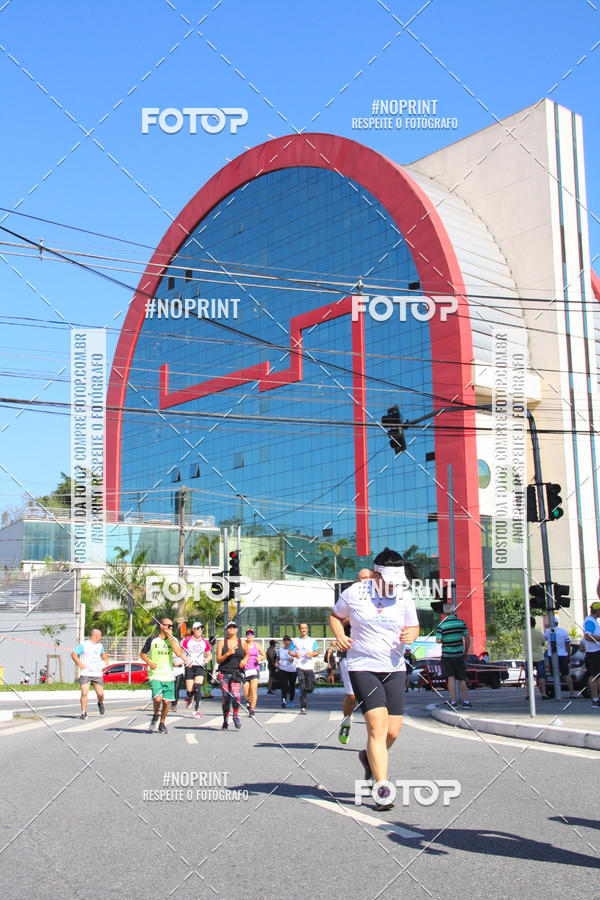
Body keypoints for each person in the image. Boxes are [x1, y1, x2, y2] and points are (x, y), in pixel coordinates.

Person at [330, 548, 420, 811]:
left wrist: (411, 635)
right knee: (377, 729)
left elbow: (413, 626)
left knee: (394, 731)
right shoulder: (355, 593)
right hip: (362, 666)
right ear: (376, 574)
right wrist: (339, 635)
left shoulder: (404, 595)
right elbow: (336, 616)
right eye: (389, 581)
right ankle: (381, 789)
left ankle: (368, 758)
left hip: (394, 667)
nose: (393, 587)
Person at [338, 567, 372, 743]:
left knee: (372, 697)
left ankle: (374, 737)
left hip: (372, 654)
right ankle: (346, 721)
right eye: (363, 578)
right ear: (357, 582)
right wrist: (353, 616)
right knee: (352, 695)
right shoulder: (349, 596)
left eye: (369, 577)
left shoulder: (379, 598)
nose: (366, 580)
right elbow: (337, 618)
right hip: (349, 653)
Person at [140, 617, 186, 733]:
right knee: (158, 698)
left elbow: (179, 653)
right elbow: (142, 653)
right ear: (161, 626)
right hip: (155, 674)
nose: (169, 628)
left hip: (168, 675)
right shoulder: (153, 639)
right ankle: (156, 714)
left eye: (171, 626)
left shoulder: (173, 639)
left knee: (166, 702)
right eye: (167, 625)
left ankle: (162, 723)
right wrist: (149, 662)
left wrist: (170, 638)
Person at [435, 607, 471, 708]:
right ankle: (466, 701)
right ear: (454, 611)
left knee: (450, 677)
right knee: (462, 678)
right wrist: (466, 652)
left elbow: (438, 640)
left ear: (444, 613)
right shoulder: (461, 623)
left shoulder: (441, 625)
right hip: (459, 655)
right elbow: (467, 639)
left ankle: (453, 701)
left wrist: (446, 639)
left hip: (447, 655)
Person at [71, 628, 108, 719]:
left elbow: (103, 654)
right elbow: (73, 654)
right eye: (100, 636)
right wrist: (80, 663)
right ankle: (83, 712)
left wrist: (106, 660)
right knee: (84, 692)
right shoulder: (84, 645)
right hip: (86, 672)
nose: (100, 638)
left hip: (97, 673)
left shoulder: (100, 646)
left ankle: (100, 703)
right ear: (96, 636)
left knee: (100, 694)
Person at [216, 622, 247, 729]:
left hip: (236, 673)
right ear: (226, 630)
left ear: (237, 629)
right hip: (224, 673)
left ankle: (235, 716)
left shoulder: (242, 642)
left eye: (234, 627)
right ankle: (225, 719)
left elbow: (247, 654)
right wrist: (228, 653)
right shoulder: (222, 642)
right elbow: (218, 659)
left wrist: (245, 660)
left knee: (236, 695)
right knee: (226, 697)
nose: (232, 629)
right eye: (229, 627)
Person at [181, 623, 211, 718]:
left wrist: (206, 660)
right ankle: (190, 698)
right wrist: (186, 661)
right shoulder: (187, 641)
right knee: (190, 690)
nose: (200, 630)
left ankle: (196, 710)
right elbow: (181, 653)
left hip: (200, 667)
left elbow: (209, 654)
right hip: (190, 666)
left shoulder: (205, 642)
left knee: (197, 687)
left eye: (201, 628)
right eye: (198, 628)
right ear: (193, 630)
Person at [289, 622, 319, 714]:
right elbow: (290, 652)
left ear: (307, 629)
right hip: (299, 666)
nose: (304, 630)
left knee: (310, 687)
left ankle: (307, 689)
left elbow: (316, 652)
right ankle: (303, 707)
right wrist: (295, 654)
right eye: (302, 628)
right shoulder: (295, 641)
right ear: (299, 629)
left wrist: (311, 654)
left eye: (305, 628)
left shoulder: (312, 640)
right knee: (302, 685)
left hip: (309, 666)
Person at [544, 616, 574, 699]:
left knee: (554, 675)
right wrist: (568, 655)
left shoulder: (549, 631)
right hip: (563, 655)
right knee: (566, 674)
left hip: (552, 655)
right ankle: (571, 693)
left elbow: (543, 641)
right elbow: (568, 644)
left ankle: (557, 692)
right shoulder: (563, 631)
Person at [521, 616, 547, 698]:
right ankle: (543, 693)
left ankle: (528, 694)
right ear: (535, 624)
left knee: (528, 676)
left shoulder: (524, 633)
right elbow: (543, 643)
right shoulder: (538, 633)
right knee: (542, 676)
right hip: (539, 656)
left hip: (528, 657)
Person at [241, 629, 266, 716]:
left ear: (254, 636)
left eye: (251, 634)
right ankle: (249, 700)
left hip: (254, 669)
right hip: (245, 670)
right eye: (248, 634)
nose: (249, 636)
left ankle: (252, 709)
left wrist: (260, 658)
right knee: (246, 691)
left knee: (253, 689)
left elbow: (264, 655)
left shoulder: (257, 646)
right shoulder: (243, 645)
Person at [582, 599, 600, 708]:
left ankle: (597, 699)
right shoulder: (590, 621)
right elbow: (587, 636)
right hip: (593, 653)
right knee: (594, 677)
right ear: (597, 610)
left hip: (595, 653)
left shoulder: (593, 621)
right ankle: (595, 700)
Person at [277, 635, 297, 708]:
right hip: (283, 669)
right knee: (284, 685)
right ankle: (283, 699)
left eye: (288, 641)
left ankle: (291, 700)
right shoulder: (281, 650)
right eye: (285, 641)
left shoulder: (294, 650)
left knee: (292, 685)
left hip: (292, 670)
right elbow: (278, 657)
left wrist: (293, 659)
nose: (286, 642)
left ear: (290, 642)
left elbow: (298, 658)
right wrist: (277, 663)